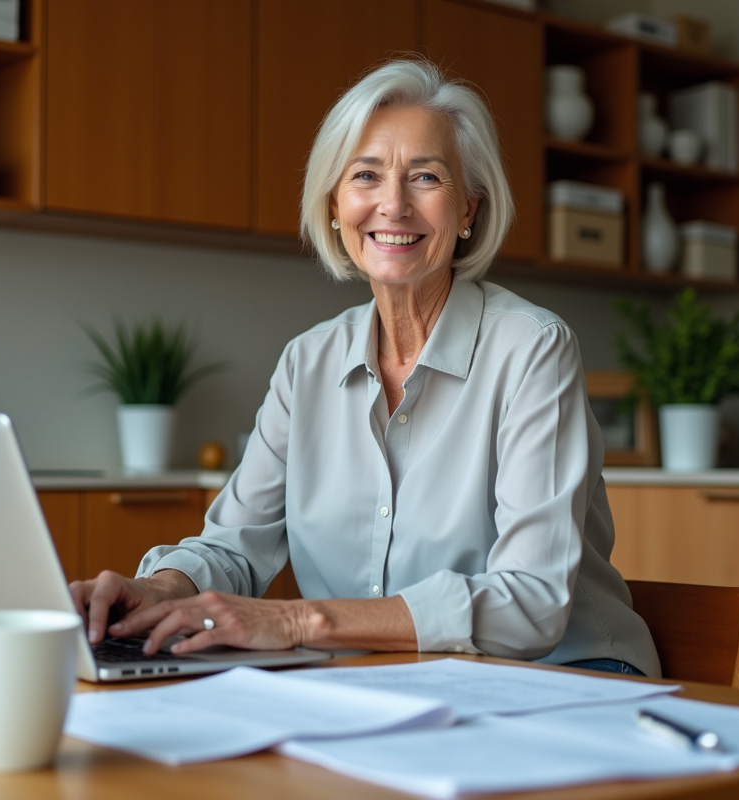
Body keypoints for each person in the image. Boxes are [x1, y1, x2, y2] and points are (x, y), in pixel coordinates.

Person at [70, 58, 660, 677]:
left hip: (569, 681)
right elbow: (234, 545)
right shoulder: (307, 362)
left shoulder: (533, 348)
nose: (393, 205)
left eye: (426, 177)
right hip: (383, 685)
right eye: (366, 176)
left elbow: (530, 605)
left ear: (467, 212)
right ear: (334, 205)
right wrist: (162, 590)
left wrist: (300, 621)